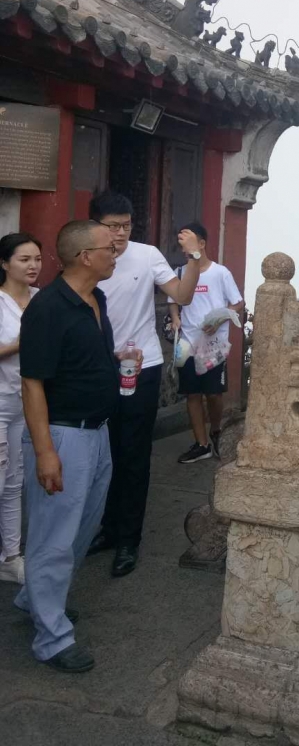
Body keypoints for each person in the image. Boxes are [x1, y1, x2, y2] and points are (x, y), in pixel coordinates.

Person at [14, 220, 120, 672]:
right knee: (53, 539)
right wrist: (45, 452)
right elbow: (32, 384)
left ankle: (35, 599)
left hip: (97, 432)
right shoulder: (47, 309)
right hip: (62, 436)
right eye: (108, 247)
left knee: (81, 530)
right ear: (85, 257)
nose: (116, 252)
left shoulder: (97, 299)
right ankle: (52, 639)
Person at [85, 190, 202, 578]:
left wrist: (194, 259)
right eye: (112, 226)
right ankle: (107, 528)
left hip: (142, 366)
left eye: (126, 226)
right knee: (103, 454)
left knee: (134, 454)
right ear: (94, 225)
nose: (120, 233)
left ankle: (128, 540)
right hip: (100, 368)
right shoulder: (86, 256)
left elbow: (182, 295)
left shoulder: (147, 255)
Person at [167, 222, 243, 464]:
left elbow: (237, 303)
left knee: (213, 394)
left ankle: (216, 430)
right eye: (181, 245)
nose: (183, 250)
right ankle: (201, 444)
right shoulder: (180, 272)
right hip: (188, 343)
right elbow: (173, 300)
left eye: (188, 243)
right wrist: (176, 318)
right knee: (192, 394)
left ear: (201, 244)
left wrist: (220, 319)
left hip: (214, 346)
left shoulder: (220, 273)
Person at [0, 233, 42, 584]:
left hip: (28, 403)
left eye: (37, 259)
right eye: (24, 259)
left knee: (15, 482)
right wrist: (19, 344)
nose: (33, 266)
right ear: (4, 263)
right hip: (0, 402)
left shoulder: (42, 299)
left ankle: (11, 557)